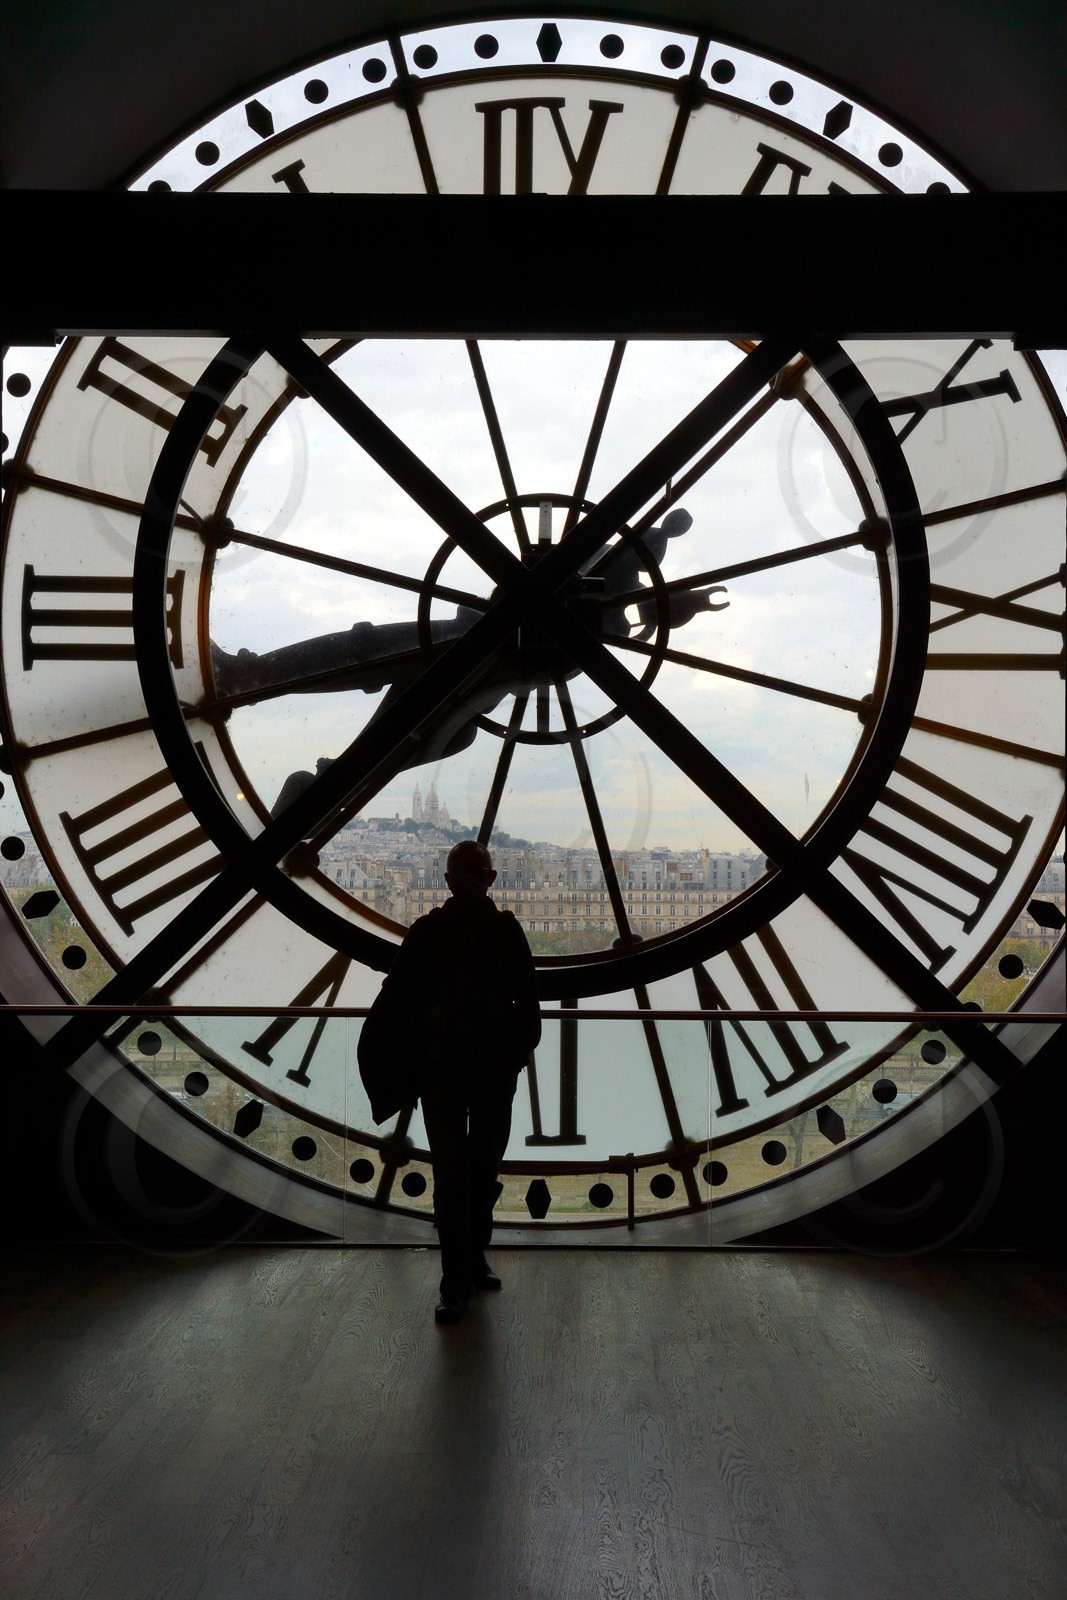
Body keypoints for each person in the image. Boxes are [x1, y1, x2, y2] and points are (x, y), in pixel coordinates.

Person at [389, 840, 540, 1324]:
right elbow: (528, 1001)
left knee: (452, 1179)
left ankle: (456, 1278)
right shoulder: (507, 933)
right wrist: (516, 1053)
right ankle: (472, 1261)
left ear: (446, 879)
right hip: (494, 1071)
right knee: (481, 1174)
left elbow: (399, 1000)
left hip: (444, 1074)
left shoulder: (427, 933)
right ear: (489, 879)